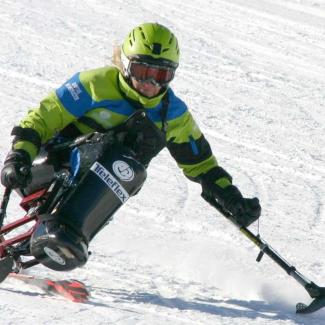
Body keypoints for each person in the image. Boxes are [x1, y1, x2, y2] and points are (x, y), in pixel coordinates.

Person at [0, 22, 261, 269]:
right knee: (107, 147)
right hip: (43, 168)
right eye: (143, 72)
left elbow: (201, 164)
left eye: (161, 75)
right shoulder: (95, 84)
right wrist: (18, 156)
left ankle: (68, 237)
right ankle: (57, 232)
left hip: (93, 191)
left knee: (129, 164)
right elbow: (43, 118)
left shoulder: (173, 113)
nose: (151, 84)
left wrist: (231, 197)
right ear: (126, 64)